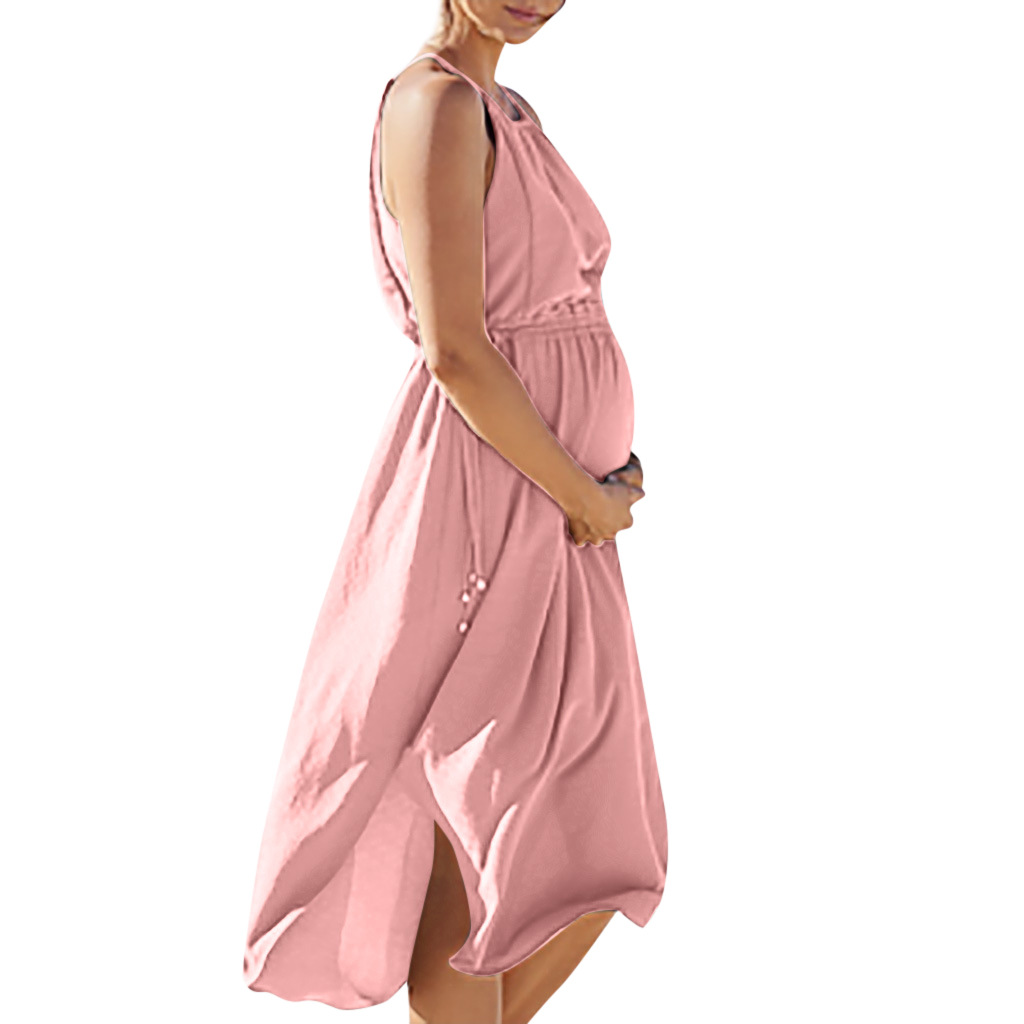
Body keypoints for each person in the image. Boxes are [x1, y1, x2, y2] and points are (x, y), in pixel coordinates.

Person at [242, 3, 669, 1022]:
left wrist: (599, 468)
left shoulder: (503, 106)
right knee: (478, 819)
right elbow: (456, 348)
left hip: (555, 506)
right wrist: (581, 491)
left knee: (591, 826)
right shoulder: (433, 104)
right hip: (498, 496)